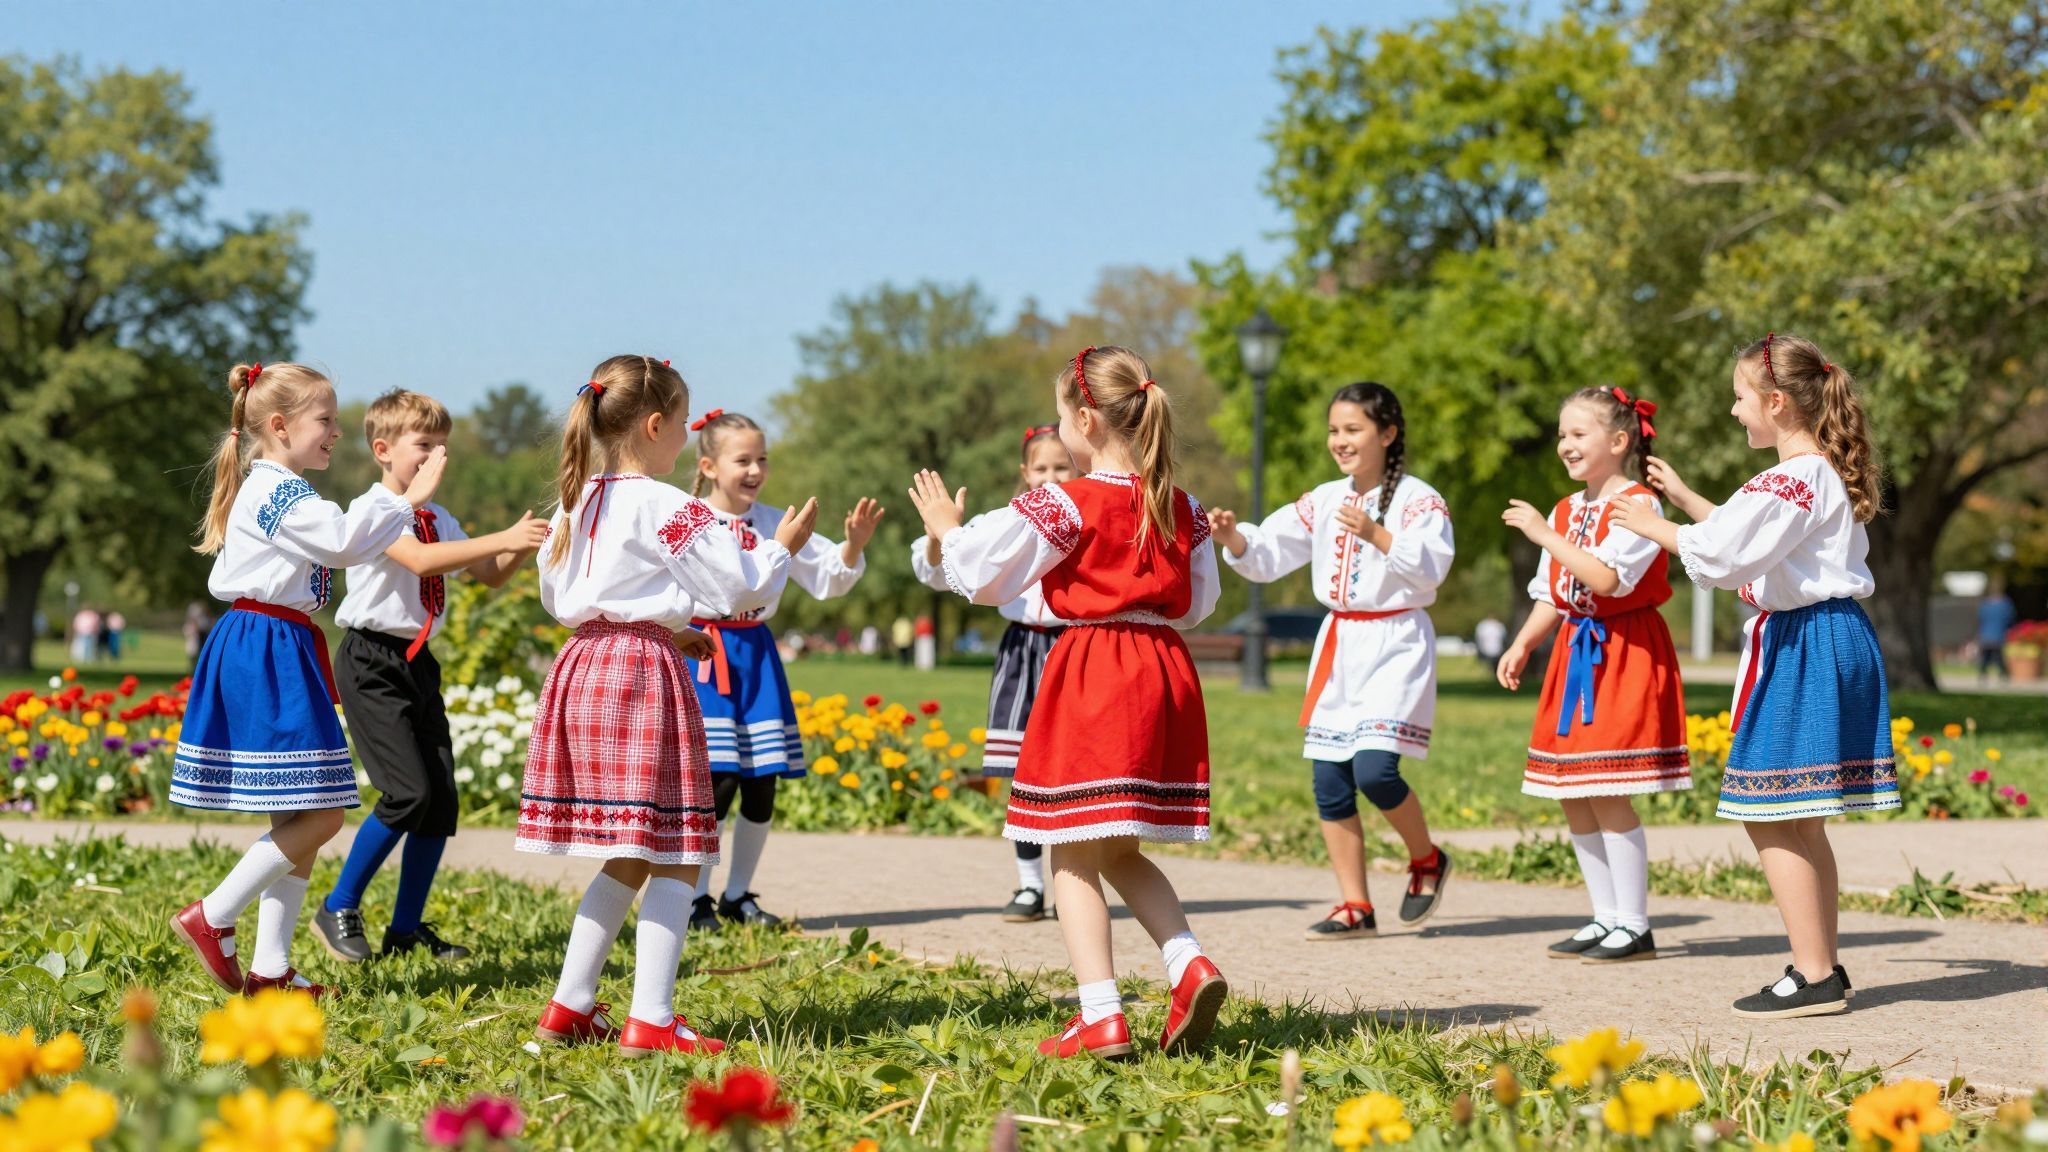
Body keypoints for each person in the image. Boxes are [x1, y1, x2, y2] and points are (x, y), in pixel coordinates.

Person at [909, 345, 1225, 1061]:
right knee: (1118, 846)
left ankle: (1100, 1014)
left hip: (1094, 670)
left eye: (1061, 419)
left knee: (1070, 849)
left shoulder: (1067, 501)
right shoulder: (1181, 504)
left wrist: (946, 530)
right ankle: (1187, 962)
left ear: (1085, 420)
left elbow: (985, 577)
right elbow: (1201, 603)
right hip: (1164, 672)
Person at [521, 355, 814, 1056]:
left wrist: (662, 623)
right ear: (655, 426)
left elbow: (567, 595)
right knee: (680, 848)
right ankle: (650, 1017)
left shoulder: (577, 497)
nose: (684, 440)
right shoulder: (665, 503)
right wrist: (779, 551)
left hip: (584, 666)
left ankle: (570, 1005)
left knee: (629, 848)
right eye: (682, 426)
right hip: (639, 677)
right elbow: (736, 590)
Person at [1613, 332, 1895, 1018]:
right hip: (1829, 636)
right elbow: (1748, 541)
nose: (1734, 411)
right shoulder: (1812, 474)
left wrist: (1650, 523)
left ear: (1775, 402)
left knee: (1768, 812)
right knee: (1799, 819)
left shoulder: (1790, 479)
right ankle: (1819, 964)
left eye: (1740, 398)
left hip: (1805, 645)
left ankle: (1815, 971)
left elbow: (1721, 558)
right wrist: (1682, 497)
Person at [169, 361, 441, 999]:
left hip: (274, 641)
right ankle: (215, 913)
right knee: (321, 815)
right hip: (267, 645)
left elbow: (338, 543)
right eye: (326, 421)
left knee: (305, 808)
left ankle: (270, 968)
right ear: (279, 425)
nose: (335, 434)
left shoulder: (275, 489)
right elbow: (345, 543)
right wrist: (403, 498)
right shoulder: (279, 493)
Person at [1207, 382, 1455, 941]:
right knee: (1330, 779)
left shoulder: (1420, 500)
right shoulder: (1323, 498)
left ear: (1387, 435)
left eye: (1353, 430)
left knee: (1374, 769)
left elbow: (1432, 567)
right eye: (1334, 430)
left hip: (1394, 641)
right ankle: (1355, 905)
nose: (1339, 441)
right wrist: (1236, 540)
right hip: (1341, 643)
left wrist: (1378, 534)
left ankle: (1427, 859)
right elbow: (1269, 552)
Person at [312, 389, 550, 965]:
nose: (436, 456)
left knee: (439, 801)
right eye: (425, 445)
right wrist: (503, 540)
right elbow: (419, 561)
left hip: (418, 662)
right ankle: (338, 904)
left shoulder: (439, 517)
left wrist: (527, 540)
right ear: (383, 449)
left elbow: (488, 573)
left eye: (443, 445)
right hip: (371, 661)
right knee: (406, 792)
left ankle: (406, 928)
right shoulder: (374, 512)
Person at [1498, 387, 1690, 963]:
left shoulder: (1638, 505)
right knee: (1574, 794)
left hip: (1624, 651)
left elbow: (1605, 579)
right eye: (1562, 435)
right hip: (1575, 654)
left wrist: (1543, 535)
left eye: (1578, 434)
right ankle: (1605, 916)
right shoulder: (1565, 510)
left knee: (1606, 789)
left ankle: (1634, 923)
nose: (1565, 445)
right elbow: (1553, 595)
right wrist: (1523, 642)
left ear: (1618, 440)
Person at [683, 409, 881, 930]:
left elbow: (828, 577)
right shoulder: (689, 519)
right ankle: (694, 897)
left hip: (756, 653)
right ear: (708, 465)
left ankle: (739, 895)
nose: (754, 470)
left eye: (762, 459)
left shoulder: (774, 521)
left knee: (762, 779)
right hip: (704, 651)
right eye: (741, 460)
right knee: (716, 781)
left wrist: (854, 544)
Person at [912, 422, 1076, 921]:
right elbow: (940, 574)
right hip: (1024, 650)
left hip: (1076, 648)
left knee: (1074, 766)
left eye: (1062, 467)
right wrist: (941, 535)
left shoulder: (1090, 513)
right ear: (1025, 472)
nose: (1051, 479)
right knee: (1023, 769)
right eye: (1041, 468)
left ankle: (1076, 883)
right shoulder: (1006, 519)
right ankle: (1030, 885)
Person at [1977, 584, 2017, 684]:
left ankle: (1983, 675)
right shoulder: (2005, 605)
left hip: (1986, 634)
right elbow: (2011, 618)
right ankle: (2002, 675)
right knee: (1998, 657)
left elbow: (1980, 618)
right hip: (1998, 634)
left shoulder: (1985, 605)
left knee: (1986, 657)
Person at [183, 600, 212, 670]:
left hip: (202, 645)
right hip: (194, 646)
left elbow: (206, 628)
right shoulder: (189, 625)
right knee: (193, 661)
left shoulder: (204, 621)